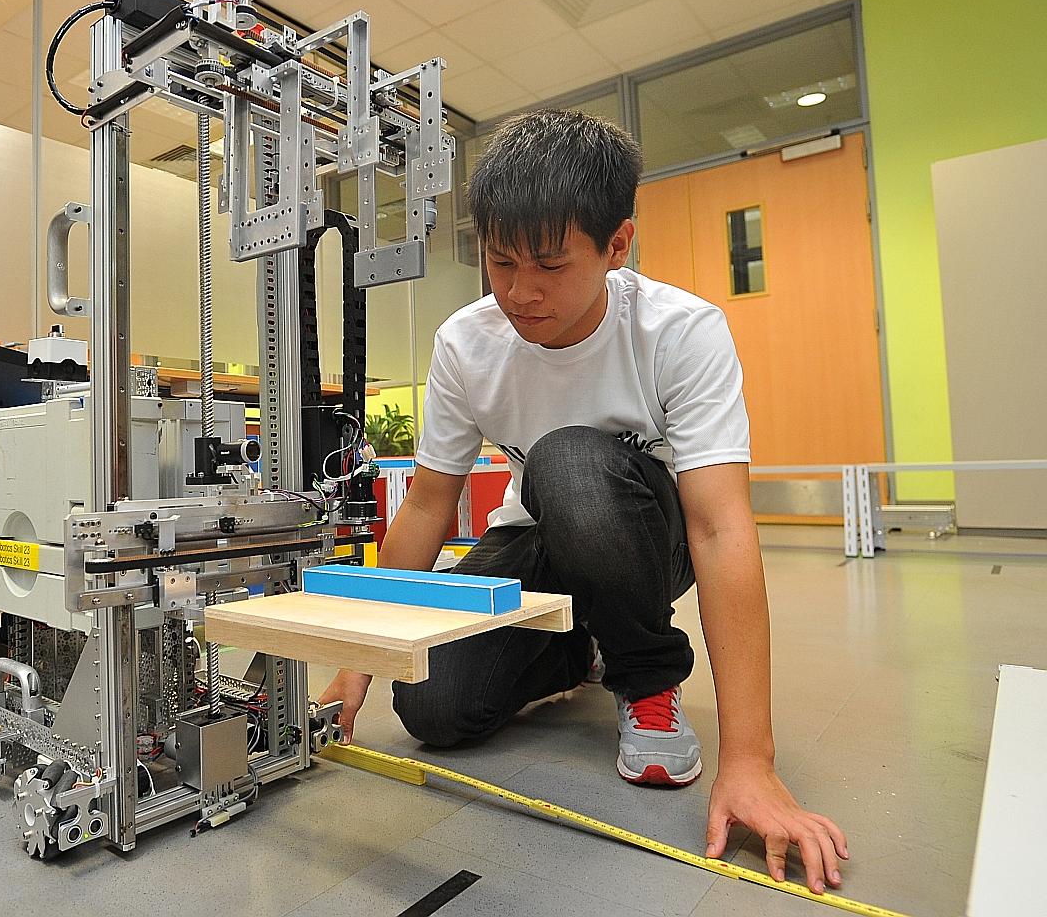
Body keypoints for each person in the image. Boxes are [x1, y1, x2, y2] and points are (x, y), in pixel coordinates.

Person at [321, 111, 849, 895]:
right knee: (434, 708)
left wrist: (750, 762)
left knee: (568, 462)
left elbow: (718, 526)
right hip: (536, 539)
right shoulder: (467, 343)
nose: (519, 292)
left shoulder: (680, 332)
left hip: (648, 538)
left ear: (617, 245)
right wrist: (358, 660)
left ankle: (645, 675)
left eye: (549, 265)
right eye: (500, 262)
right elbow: (428, 505)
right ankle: (584, 645)